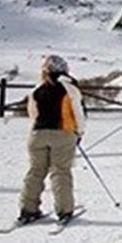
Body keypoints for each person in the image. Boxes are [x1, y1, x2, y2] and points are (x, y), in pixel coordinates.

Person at [17, 55, 86, 224]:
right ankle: (64, 210)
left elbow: (32, 113)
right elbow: (78, 112)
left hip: (37, 134)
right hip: (63, 133)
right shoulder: (70, 88)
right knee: (60, 172)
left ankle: (28, 209)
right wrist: (79, 132)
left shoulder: (36, 90)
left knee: (35, 171)